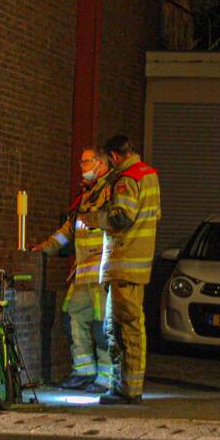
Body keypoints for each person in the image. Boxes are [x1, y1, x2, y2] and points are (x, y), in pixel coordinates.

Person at [33, 147, 113, 392]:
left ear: (99, 163)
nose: (81, 167)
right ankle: (83, 371)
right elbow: (69, 230)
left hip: (101, 273)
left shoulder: (111, 192)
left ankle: (106, 376)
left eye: (85, 162)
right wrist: (42, 249)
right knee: (71, 315)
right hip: (83, 275)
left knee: (102, 326)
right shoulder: (87, 195)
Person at [90, 134, 160, 405]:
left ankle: (128, 390)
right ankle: (123, 386)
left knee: (124, 329)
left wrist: (94, 218)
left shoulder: (128, 179)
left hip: (124, 263)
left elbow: (122, 217)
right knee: (118, 326)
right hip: (135, 264)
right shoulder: (148, 175)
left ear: (115, 156)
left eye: (107, 159)